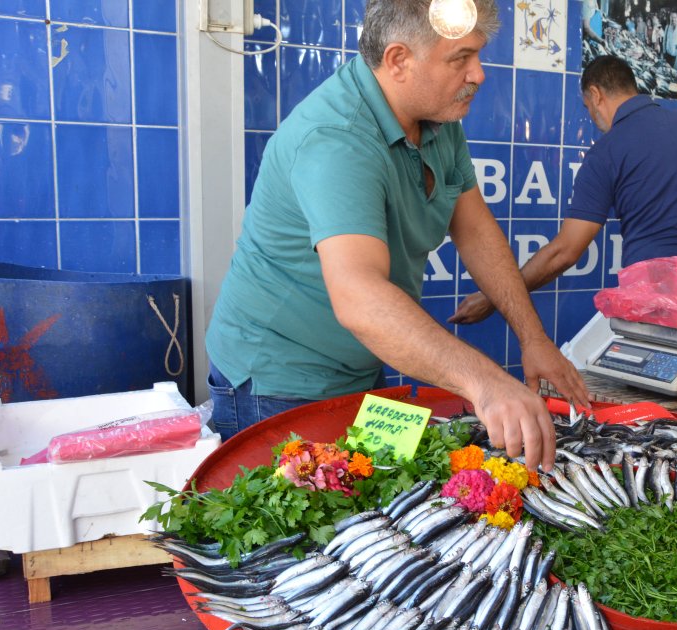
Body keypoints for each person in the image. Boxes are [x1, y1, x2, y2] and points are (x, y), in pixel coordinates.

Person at [204, 0, 590, 470]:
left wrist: (533, 339)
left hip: (361, 366)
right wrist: (486, 383)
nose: (479, 74)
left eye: (478, 56)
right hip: (277, 380)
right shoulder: (336, 138)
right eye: (460, 59)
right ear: (398, 60)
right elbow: (359, 296)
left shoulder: (439, 117)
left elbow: (476, 231)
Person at [450, 55, 677, 326]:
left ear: (595, 95)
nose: (592, 118)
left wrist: (495, 297)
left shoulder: (608, 150)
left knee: (659, 389)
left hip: (663, 303)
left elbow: (564, 252)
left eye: (587, 107)